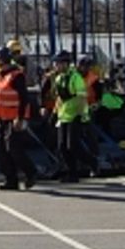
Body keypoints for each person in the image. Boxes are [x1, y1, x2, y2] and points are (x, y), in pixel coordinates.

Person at [0, 47, 37, 191]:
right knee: (0, 150)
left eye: (0, 59)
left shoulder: (16, 76)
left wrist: (21, 118)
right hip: (2, 118)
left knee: (14, 149)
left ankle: (31, 172)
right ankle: (11, 179)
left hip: (15, 118)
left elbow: (24, 99)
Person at [49, 51, 87, 182]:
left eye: (58, 63)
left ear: (65, 64)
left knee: (72, 145)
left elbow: (82, 97)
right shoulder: (59, 78)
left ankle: (86, 166)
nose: (56, 66)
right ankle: (71, 171)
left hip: (75, 115)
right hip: (64, 115)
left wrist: (80, 114)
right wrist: (54, 113)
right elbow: (60, 98)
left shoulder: (76, 78)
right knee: (62, 146)